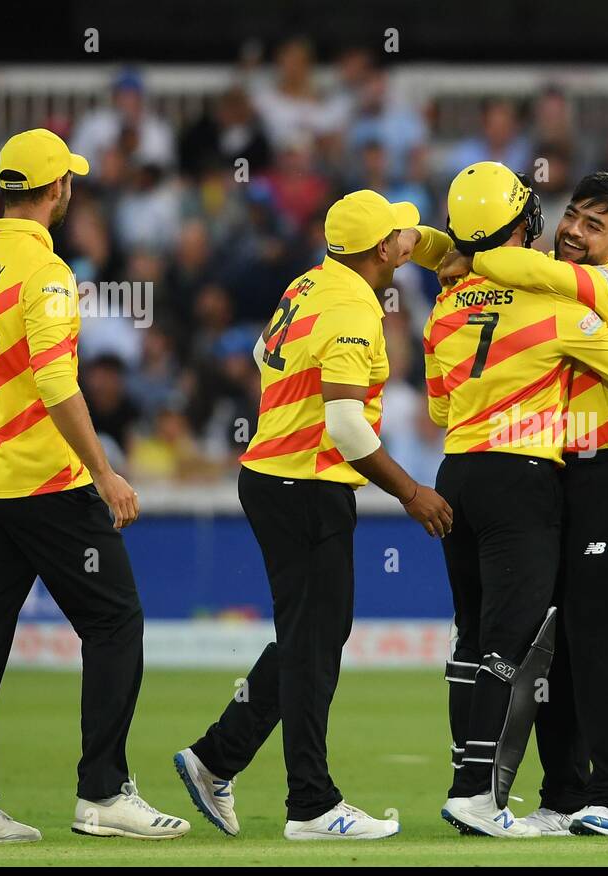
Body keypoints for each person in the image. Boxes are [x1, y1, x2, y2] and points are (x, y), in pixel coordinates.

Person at [173, 190, 452, 841]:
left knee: (312, 636)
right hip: (306, 484)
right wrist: (413, 492)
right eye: (397, 238)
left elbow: (259, 358)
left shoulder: (311, 282)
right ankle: (310, 803)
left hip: (273, 475)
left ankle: (218, 757)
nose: (404, 244)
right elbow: (347, 425)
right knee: (315, 641)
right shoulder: (356, 305)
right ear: (379, 250)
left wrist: (439, 245)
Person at [0, 128, 189, 844]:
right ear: (58, 191)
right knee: (115, 623)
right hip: (45, 482)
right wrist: (105, 471)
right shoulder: (44, 272)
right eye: (68, 182)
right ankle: (103, 793)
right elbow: (54, 382)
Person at [424, 162, 608, 838]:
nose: (573, 231)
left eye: (594, 226)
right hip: (539, 476)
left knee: (592, 640)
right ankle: (564, 794)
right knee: (549, 648)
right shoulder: (523, 285)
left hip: (594, 476)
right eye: (571, 215)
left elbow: (529, 275)